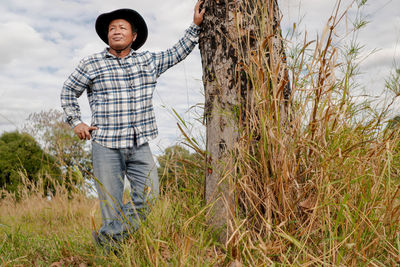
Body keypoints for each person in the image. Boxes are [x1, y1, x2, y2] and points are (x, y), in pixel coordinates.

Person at [61, 1, 205, 248]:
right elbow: (68, 92)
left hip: (140, 144)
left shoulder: (148, 61)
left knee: (149, 196)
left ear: (134, 36)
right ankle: (113, 254)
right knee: (111, 204)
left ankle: (107, 238)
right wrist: (76, 121)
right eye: (111, 29)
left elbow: (176, 53)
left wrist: (195, 26)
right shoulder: (91, 64)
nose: (115, 31)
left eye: (122, 27)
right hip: (105, 144)